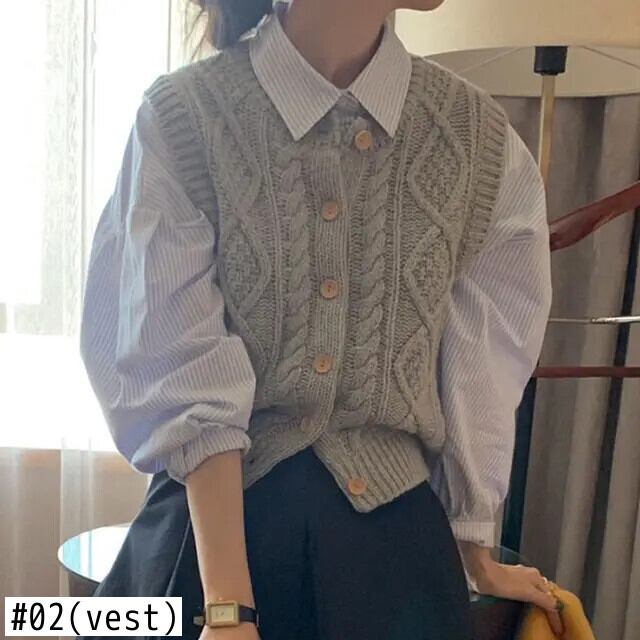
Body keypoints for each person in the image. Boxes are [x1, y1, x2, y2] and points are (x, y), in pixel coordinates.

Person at [78, 1, 562, 638]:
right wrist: (228, 610)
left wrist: (474, 546)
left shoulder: (479, 140)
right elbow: (178, 360)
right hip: (212, 544)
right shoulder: (184, 118)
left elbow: (482, 365)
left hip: (397, 556)